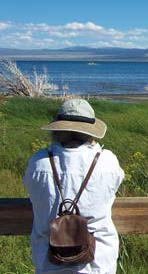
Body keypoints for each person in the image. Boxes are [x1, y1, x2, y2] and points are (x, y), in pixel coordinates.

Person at [23, 99, 124, 274]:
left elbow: (32, 190)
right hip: (98, 262)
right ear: (90, 132)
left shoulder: (38, 162)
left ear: (57, 130)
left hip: (49, 262)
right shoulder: (107, 161)